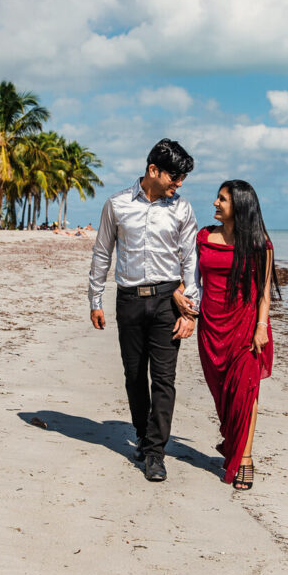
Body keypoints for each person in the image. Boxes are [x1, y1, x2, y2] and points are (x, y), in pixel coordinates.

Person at [88, 138, 199, 482]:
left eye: (182, 179)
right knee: (134, 375)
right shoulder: (117, 205)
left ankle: (155, 452)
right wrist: (95, 299)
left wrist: (189, 311)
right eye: (174, 177)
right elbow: (102, 252)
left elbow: (190, 259)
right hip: (129, 300)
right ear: (153, 170)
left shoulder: (182, 209)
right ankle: (141, 432)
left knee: (164, 379)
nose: (178, 184)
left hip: (169, 300)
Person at [196, 180, 280, 490]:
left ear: (239, 207)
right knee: (223, 394)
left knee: (246, 391)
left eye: (222, 200)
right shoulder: (204, 238)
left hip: (246, 327)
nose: (215, 203)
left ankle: (244, 458)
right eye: (217, 198)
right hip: (211, 326)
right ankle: (233, 441)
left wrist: (261, 327)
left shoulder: (260, 244)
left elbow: (265, 292)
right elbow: (189, 274)